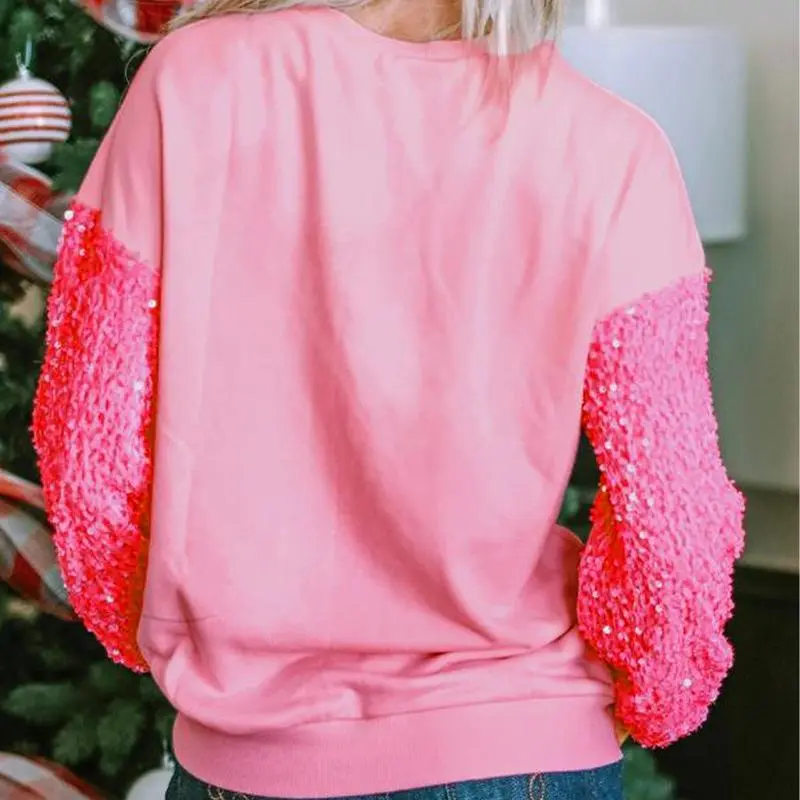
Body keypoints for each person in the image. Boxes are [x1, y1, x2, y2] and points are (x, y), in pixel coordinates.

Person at [31, 0, 746, 798]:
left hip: (247, 752)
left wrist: (179, 641)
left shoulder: (190, 82)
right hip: (522, 740)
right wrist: (656, 697)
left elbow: (89, 452)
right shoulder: (616, 149)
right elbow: (672, 517)